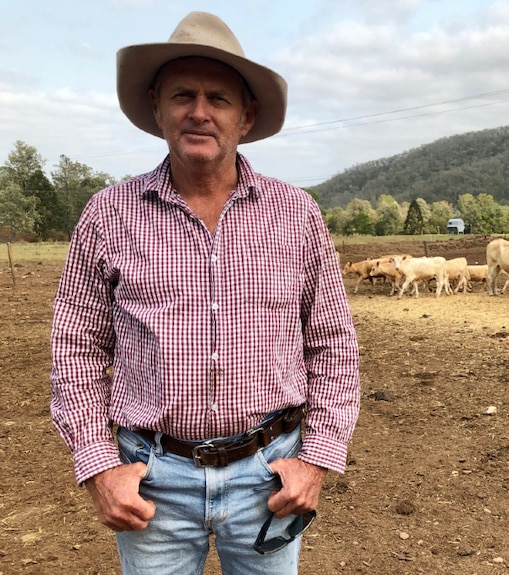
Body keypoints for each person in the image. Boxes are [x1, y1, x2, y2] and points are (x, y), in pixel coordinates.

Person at [50, 11, 360, 575]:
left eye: (218, 98)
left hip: (269, 473)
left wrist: (315, 460)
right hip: (152, 480)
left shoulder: (297, 214)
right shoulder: (108, 214)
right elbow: (75, 347)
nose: (199, 111)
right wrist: (99, 465)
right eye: (182, 95)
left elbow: (334, 343)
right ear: (156, 107)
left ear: (246, 117)